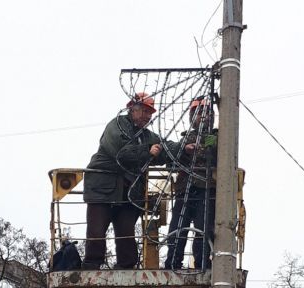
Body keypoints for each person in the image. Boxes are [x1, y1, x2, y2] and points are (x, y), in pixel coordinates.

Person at [83, 93, 169, 270]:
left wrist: (185, 150)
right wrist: (147, 152)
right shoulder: (116, 127)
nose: (148, 116)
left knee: (126, 231)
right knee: (96, 231)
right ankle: (92, 264)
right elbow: (122, 153)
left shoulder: (146, 136)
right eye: (145, 111)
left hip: (129, 192)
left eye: (150, 113)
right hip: (102, 189)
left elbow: (166, 148)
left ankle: (126, 265)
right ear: (132, 109)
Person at [164, 97, 218, 270]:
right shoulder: (185, 139)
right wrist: (185, 149)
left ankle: (202, 263)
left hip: (206, 189)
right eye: (199, 113)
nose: (204, 117)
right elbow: (171, 161)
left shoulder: (213, 137)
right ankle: (173, 262)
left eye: (207, 113)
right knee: (178, 228)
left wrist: (197, 148)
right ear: (192, 116)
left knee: (204, 229)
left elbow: (211, 153)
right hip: (185, 189)